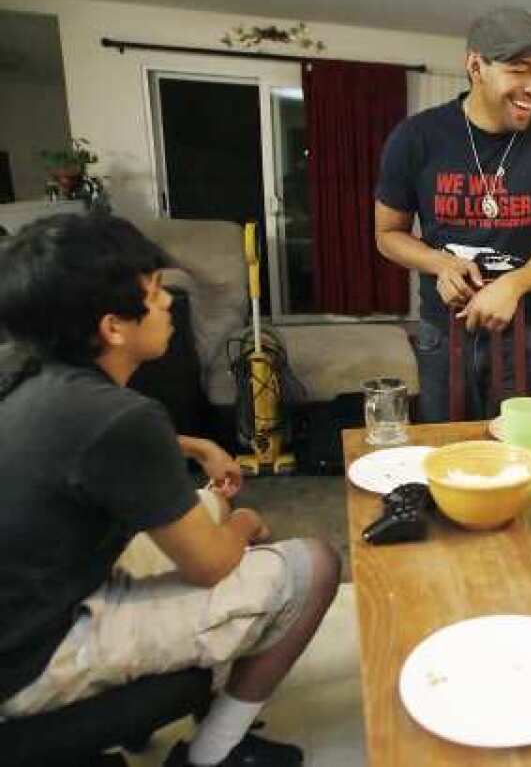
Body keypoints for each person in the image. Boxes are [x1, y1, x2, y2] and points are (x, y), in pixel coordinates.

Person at [0, 214, 341, 766]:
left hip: (25, 607)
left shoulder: (28, 376)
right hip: (34, 660)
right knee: (314, 563)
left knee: (210, 501)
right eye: (156, 294)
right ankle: (212, 754)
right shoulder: (123, 418)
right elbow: (208, 565)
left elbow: (82, 446)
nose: (167, 306)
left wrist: (192, 446)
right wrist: (248, 526)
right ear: (113, 327)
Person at [375, 6, 531, 422]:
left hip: (525, 331)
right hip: (443, 330)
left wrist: (511, 285)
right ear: (475, 65)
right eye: (518, 69)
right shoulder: (416, 137)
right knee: (447, 452)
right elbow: (387, 234)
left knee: (523, 453)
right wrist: (438, 262)